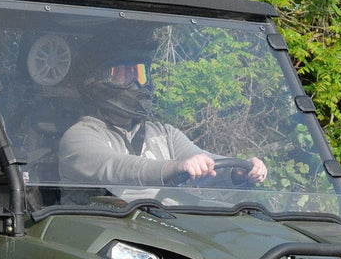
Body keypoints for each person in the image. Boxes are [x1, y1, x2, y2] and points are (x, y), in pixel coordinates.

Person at [58, 61, 267, 186]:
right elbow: (116, 167)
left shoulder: (163, 133)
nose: (135, 84)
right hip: (97, 229)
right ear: (98, 80)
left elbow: (201, 160)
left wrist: (238, 169)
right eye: (123, 75)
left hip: (158, 227)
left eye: (139, 74)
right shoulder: (79, 136)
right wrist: (175, 167)